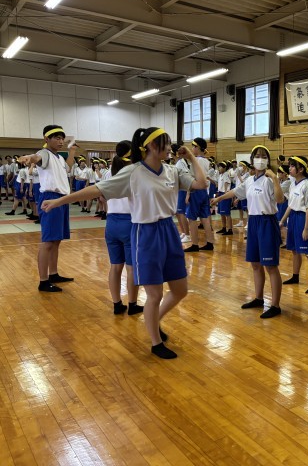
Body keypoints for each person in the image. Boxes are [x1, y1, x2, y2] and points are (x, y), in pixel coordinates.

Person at [42, 127, 207, 359]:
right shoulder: (133, 172)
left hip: (169, 230)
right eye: (166, 142)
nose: (170, 147)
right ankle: (156, 342)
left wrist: (191, 157)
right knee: (155, 294)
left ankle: (154, 319)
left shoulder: (172, 170)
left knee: (180, 290)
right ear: (151, 146)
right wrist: (60, 201)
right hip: (145, 233)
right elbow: (96, 189)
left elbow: (201, 184)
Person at [212, 145, 285, 318]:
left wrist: (275, 179)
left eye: (264, 156)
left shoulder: (270, 180)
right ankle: (259, 298)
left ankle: (275, 305)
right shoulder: (250, 180)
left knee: (271, 266)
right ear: (252, 160)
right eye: (257, 156)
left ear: (268, 160)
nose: (260, 159)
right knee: (255, 264)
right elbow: (235, 191)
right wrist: (219, 198)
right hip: (253, 222)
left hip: (267, 222)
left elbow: (280, 199)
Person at [17, 125, 78, 292]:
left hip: (62, 199)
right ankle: (43, 281)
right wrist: (29, 157)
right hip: (50, 198)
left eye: (62, 138)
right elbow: (36, 157)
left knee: (56, 240)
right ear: (47, 139)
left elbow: (68, 167)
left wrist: (72, 151)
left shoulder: (58, 157)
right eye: (57, 138)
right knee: (48, 241)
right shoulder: (44, 153)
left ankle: (53, 274)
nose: (60, 141)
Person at [102, 140, 142, 315]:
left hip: (111, 222)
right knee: (131, 267)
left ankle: (117, 304)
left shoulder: (107, 173)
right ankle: (132, 304)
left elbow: (102, 197)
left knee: (115, 266)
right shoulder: (134, 174)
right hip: (129, 222)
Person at [279, 156, 308, 294]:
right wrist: (282, 220)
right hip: (293, 217)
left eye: (292, 166)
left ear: (301, 169)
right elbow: (290, 205)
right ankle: (295, 276)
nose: (289, 168)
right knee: (294, 250)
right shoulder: (293, 184)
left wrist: (306, 228)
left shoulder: (307, 185)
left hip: (304, 218)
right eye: (290, 165)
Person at [183, 138, 214, 252]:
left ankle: (195, 244)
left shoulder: (195, 161)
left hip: (196, 190)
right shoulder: (206, 161)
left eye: (193, 146)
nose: (192, 149)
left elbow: (193, 178)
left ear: (198, 148)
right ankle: (210, 243)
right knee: (205, 218)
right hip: (204, 191)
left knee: (191, 218)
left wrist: (188, 193)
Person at [173, 144, 191, 243]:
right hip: (178, 190)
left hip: (183, 190)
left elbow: (187, 177)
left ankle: (187, 235)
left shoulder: (180, 163)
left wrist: (188, 192)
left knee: (181, 212)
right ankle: (184, 232)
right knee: (178, 212)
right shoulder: (177, 163)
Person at [276, 166, 291, 245]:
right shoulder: (282, 181)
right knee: (278, 221)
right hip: (280, 203)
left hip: (284, 203)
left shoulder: (288, 182)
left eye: (280, 172)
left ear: (285, 174)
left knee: (282, 223)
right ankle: (280, 240)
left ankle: (287, 241)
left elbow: (278, 191)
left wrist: (276, 181)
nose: (278, 174)